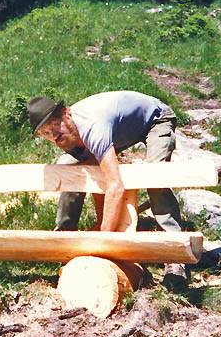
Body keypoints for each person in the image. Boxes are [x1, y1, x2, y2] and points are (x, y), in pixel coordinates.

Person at [27, 90, 187, 288]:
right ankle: (64, 245)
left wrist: (103, 242)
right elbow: (95, 171)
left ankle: (176, 257)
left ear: (66, 114)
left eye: (54, 125)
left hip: (155, 119)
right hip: (119, 131)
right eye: (46, 133)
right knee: (70, 172)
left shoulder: (92, 126)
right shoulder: (66, 134)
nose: (54, 135)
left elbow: (115, 186)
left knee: (154, 177)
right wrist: (104, 222)